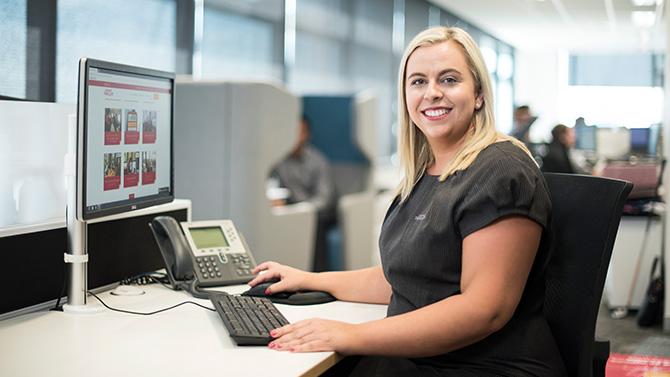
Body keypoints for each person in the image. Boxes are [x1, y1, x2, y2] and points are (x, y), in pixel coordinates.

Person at [251, 26, 567, 376]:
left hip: (487, 366)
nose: (432, 93)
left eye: (448, 80)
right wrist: (311, 279)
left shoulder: (501, 170)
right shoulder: (424, 173)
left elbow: (484, 310)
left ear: (478, 93)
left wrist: (351, 334)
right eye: (418, 81)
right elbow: (405, 278)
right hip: (425, 357)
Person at [269, 116, 336, 272]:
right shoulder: (278, 161)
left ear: (307, 134)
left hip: (317, 213)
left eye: (299, 131)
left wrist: (303, 210)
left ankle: (317, 275)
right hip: (288, 211)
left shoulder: (318, 161)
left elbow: (325, 198)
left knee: (314, 222)